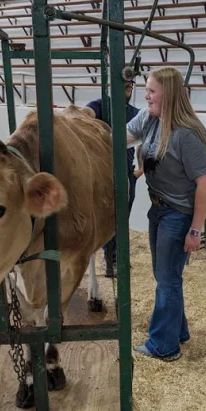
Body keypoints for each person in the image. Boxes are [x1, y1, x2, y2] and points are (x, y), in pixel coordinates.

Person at [126, 67, 206, 361]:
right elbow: (123, 137)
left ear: (169, 94)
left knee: (167, 279)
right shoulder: (150, 118)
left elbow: (205, 182)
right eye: (146, 89)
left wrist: (196, 229)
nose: (145, 96)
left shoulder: (187, 135)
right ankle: (179, 332)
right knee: (167, 276)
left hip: (179, 215)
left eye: (151, 91)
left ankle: (164, 346)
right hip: (158, 209)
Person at [85, 81, 142, 277]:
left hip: (126, 173)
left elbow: (144, 140)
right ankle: (106, 257)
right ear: (111, 86)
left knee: (121, 219)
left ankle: (114, 260)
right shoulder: (100, 105)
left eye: (129, 87)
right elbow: (86, 114)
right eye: (124, 85)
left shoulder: (135, 113)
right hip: (102, 175)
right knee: (104, 219)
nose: (127, 90)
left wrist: (139, 171)